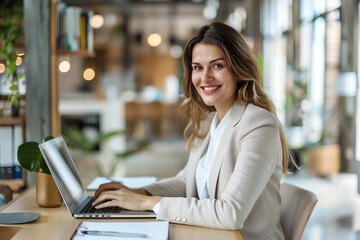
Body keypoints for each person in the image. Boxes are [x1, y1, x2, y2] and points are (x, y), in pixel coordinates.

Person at [93, 22, 292, 239]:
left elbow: (230, 213)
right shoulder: (211, 121)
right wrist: (138, 193)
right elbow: (186, 182)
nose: (205, 77)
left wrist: (146, 203)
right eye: (198, 67)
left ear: (238, 68)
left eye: (217, 66)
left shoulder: (258, 124)